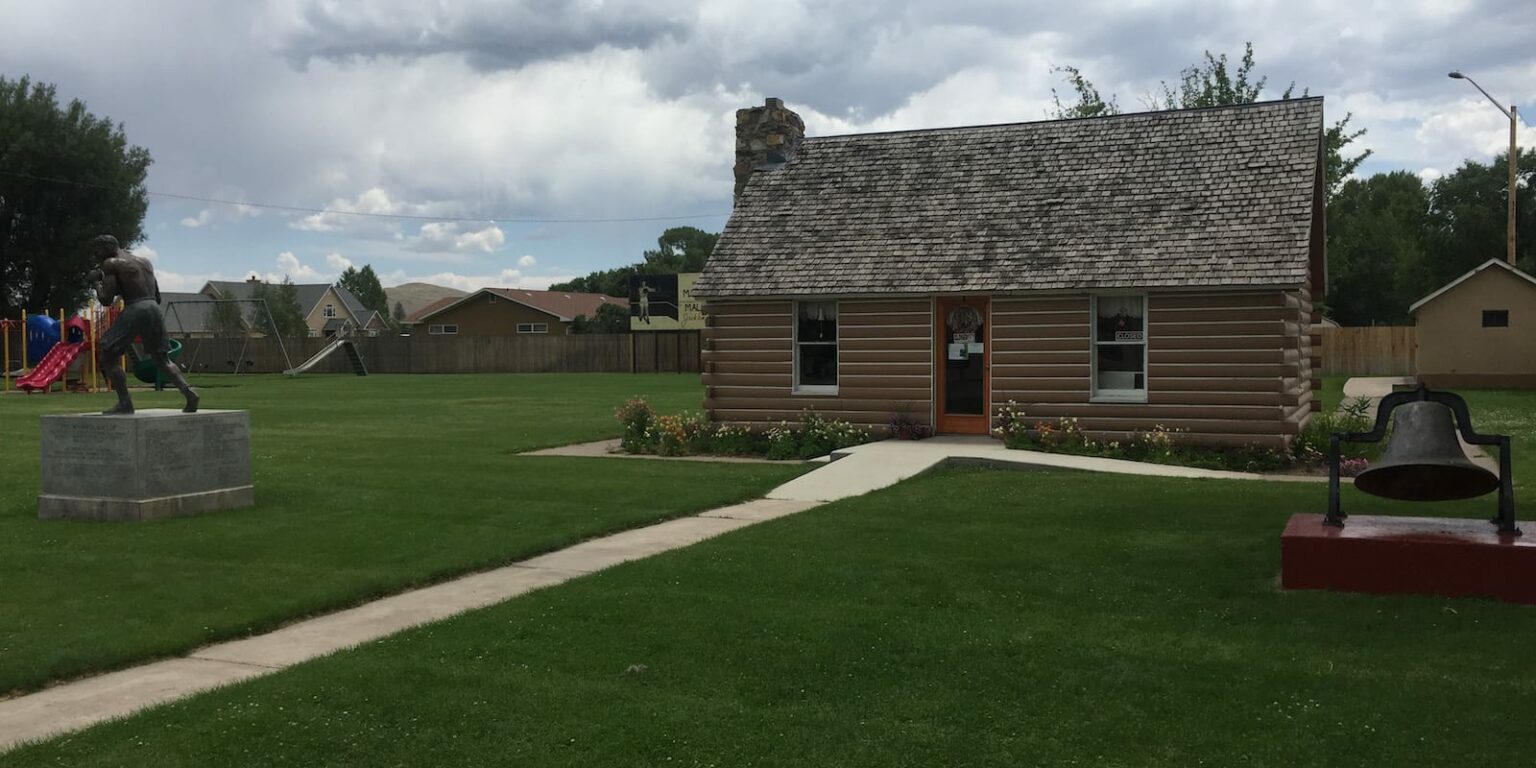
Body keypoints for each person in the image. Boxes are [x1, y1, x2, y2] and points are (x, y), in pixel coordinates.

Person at [89, 235, 199, 414]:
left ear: (107, 247)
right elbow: (157, 296)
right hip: (153, 308)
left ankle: (125, 403)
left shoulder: (110, 264)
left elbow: (106, 300)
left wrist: (95, 283)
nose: (96, 256)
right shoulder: (145, 262)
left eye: (97, 251)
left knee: (107, 353)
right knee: (163, 359)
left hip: (136, 307)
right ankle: (188, 392)